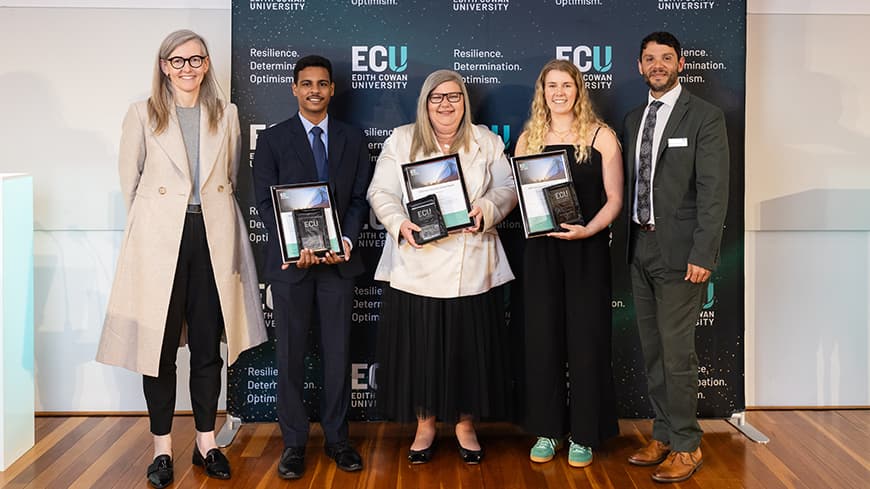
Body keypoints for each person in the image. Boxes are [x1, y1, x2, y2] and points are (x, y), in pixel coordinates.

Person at [96, 30, 267, 488]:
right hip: (160, 242)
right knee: (160, 349)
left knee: (209, 347)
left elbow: (229, 179)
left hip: (211, 235)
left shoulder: (225, 115)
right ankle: (162, 450)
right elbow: (129, 183)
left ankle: (207, 443)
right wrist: (154, 228)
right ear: (164, 65)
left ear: (207, 65)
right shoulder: (142, 114)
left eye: (196, 59)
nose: (187, 67)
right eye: (178, 60)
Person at [367, 69, 517, 465]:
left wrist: (484, 210)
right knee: (421, 351)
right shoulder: (401, 139)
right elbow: (380, 191)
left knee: (470, 350)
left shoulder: (486, 140)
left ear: (464, 101)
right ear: (425, 103)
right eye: (437, 98)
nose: (446, 104)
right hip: (416, 263)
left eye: (453, 96)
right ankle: (425, 425)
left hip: (472, 264)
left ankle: (466, 425)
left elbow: (507, 188)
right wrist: (400, 224)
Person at [251, 55, 370, 479]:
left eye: (322, 83)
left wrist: (347, 240)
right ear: (294, 89)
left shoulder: (353, 139)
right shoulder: (273, 140)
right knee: (290, 357)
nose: (314, 90)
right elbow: (266, 203)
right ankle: (295, 444)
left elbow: (359, 199)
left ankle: (338, 440)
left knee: (339, 355)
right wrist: (291, 244)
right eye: (306, 84)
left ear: (332, 89)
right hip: (292, 266)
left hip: (339, 264)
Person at [623, 31, 729, 483]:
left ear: (681, 64)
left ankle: (687, 444)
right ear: (640, 67)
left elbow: (713, 192)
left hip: (682, 254)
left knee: (677, 354)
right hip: (638, 247)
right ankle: (663, 434)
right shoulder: (632, 119)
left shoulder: (704, 116)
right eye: (650, 59)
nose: (658, 65)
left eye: (666, 58)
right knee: (652, 351)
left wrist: (704, 252)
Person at [514, 59, 622, 468]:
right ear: (542, 92)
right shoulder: (528, 138)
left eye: (566, 85)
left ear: (579, 90)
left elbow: (615, 199)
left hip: (586, 251)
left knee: (586, 341)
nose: (559, 92)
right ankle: (548, 430)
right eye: (551, 86)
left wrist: (589, 229)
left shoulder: (601, 136)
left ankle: (584, 434)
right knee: (543, 340)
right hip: (541, 252)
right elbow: (522, 198)